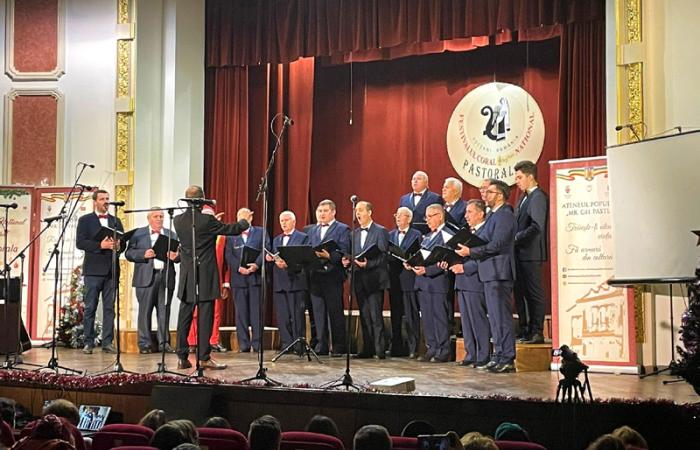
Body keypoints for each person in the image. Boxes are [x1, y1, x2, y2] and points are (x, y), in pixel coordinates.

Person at [173, 185, 249, 370]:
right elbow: (232, 229)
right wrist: (244, 221)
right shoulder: (207, 221)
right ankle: (204, 357)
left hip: (187, 274)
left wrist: (212, 224)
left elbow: (198, 233)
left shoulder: (177, 220)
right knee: (205, 315)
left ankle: (182, 357)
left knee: (185, 315)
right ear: (201, 202)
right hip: (205, 274)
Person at [456, 180, 516, 373]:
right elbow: (485, 240)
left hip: (499, 272)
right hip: (489, 273)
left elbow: (497, 244)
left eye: (489, 192)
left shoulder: (505, 214)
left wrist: (471, 252)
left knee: (501, 317)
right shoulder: (493, 215)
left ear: (500, 195)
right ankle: (498, 355)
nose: (485, 195)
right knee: (495, 319)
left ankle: (507, 357)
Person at [75, 189, 124, 354]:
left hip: (111, 270)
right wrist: (100, 246)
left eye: (107, 199)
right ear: (95, 201)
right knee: (90, 307)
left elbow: (123, 243)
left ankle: (107, 342)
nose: (106, 202)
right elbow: (80, 242)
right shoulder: (85, 220)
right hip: (93, 271)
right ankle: (88, 342)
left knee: (110, 308)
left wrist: (119, 246)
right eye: (102, 199)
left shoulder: (115, 220)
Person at [125, 208, 179, 354]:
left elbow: (179, 254)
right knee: (145, 311)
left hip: (165, 277)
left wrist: (175, 256)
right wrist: (143, 254)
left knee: (164, 311)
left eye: (161, 216)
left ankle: (164, 343)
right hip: (146, 277)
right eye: (156, 216)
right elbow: (129, 253)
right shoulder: (138, 234)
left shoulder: (171, 234)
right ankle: (145, 344)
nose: (159, 219)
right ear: (149, 218)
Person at [407, 204, 454, 363]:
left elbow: (446, 260)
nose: (427, 220)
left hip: (437, 282)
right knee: (427, 317)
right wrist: (412, 264)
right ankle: (432, 347)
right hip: (423, 283)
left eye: (430, 216)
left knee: (439, 317)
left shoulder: (448, 235)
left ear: (440, 216)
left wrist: (426, 270)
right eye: (426, 217)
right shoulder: (427, 236)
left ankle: (443, 350)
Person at [343, 201, 390, 359]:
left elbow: (383, 255)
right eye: (356, 210)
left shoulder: (380, 231)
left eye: (361, 210)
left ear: (369, 212)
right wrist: (347, 261)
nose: (358, 213)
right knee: (364, 316)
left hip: (375, 279)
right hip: (359, 279)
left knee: (376, 316)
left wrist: (368, 264)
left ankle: (379, 349)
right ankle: (367, 349)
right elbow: (352, 254)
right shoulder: (353, 234)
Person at [450, 200, 491, 368]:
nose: (466, 216)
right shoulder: (466, 233)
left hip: (475, 281)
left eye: (470, 212)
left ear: (481, 214)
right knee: (466, 322)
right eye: (466, 212)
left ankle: (483, 355)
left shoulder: (485, 232)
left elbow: (484, 257)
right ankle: (471, 353)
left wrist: (464, 268)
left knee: (477, 319)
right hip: (461, 281)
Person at [224, 208, 270, 353]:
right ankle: (243, 345)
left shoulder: (261, 232)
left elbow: (265, 249)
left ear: (251, 218)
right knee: (241, 313)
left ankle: (257, 344)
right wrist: (239, 268)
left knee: (256, 313)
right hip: (238, 280)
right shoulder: (231, 234)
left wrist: (256, 265)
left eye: (245, 217)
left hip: (255, 278)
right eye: (240, 217)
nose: (242, 220)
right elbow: (228, 255)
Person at [308, 199, 350, 356]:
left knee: (335, 312)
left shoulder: (342, 229)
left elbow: (344, 250)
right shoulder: (311, 230)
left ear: (333, 212)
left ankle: (338, 346)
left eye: (325, 211)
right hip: (315, 275)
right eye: (319, 211)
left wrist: (329, 256)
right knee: (318, 313)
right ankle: (321, 345)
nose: (322, 214)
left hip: (333, 276)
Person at [513, 160, 548, 344]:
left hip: (531, 253)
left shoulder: (538, 197)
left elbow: (537, 226)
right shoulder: (523, 198)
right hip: (519, 253)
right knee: (521, 293)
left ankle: (537, 331)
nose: (517, 181)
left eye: (519, 177)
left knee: (533, 293)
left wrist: (516, 238)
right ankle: (525, 329)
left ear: (530, 176)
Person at [266, 211, 310, 353]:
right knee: (283, 315)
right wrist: (270, 258)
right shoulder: (277, 239)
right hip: (280, 283)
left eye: (286, 220)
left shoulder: (303, 237)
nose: (283, 223)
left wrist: (288, 264)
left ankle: (298, 345)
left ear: (294, 221)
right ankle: (287, 344)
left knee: (297, 316)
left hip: (295, 282)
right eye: (281, 221)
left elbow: (304, 260)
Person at [188, 205, 228, 353]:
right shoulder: (193, 233)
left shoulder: (222, 236)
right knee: (195, 311)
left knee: (215, 311)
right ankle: (192, 341)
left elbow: (227, 262)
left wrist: (226, 283)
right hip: (197, 277)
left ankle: (213, 340)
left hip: (216, 278)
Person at [387, 207, 422, 358]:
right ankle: (396, 346)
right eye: (397, 215)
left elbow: (420, 254)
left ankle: (413, 347)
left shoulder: (416, 234)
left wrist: (411, 262)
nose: (398, 217)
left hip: (409, 278)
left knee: (410, 314)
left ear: (409, 218)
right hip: (394, 278)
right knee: (395, 314)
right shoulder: (390, 235)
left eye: (401, 215)